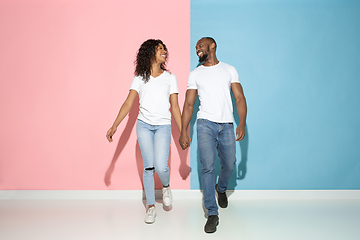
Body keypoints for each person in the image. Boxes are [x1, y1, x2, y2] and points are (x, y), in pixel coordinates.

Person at [106, 39, 182, 224]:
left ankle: (165, 186)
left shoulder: (170, 78)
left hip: (163, 125)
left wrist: (183, 132)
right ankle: (151, 207)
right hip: (144, 126)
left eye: (164, 49)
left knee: (161, 166)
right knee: (148, 167)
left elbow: (175, 107)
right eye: (159, 49)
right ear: (149, 53)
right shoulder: (139, 78)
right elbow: (128, 103)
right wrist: (114, 125)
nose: (164, 51)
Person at [179, 37, 247, 233]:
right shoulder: (195, 74)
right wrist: (184, 131)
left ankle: (222, 189)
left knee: (230, 163)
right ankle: (212, 212)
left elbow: (239, 97)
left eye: (201, 45)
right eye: (196, 47)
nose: (197, 49)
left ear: (212, 46)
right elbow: (189, 104)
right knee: (207, 168)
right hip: (204, 124)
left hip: (226, 124)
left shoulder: (229, 69)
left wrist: (241, 122)